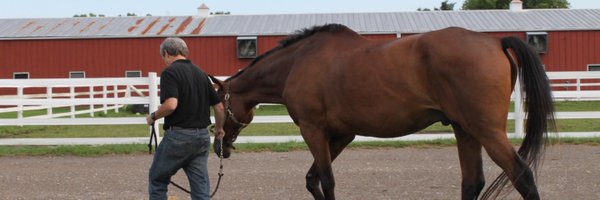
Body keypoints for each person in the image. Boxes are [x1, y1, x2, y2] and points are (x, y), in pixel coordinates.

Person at [146, 37, 226, 200]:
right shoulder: (201, 74)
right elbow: (219, 107)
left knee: (157, 179)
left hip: (178, 137)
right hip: (202, 137)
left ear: (166, 53)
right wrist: (219, 128)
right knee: (200, 187)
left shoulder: (170, 73)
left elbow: (171, 105)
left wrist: (153, 117)